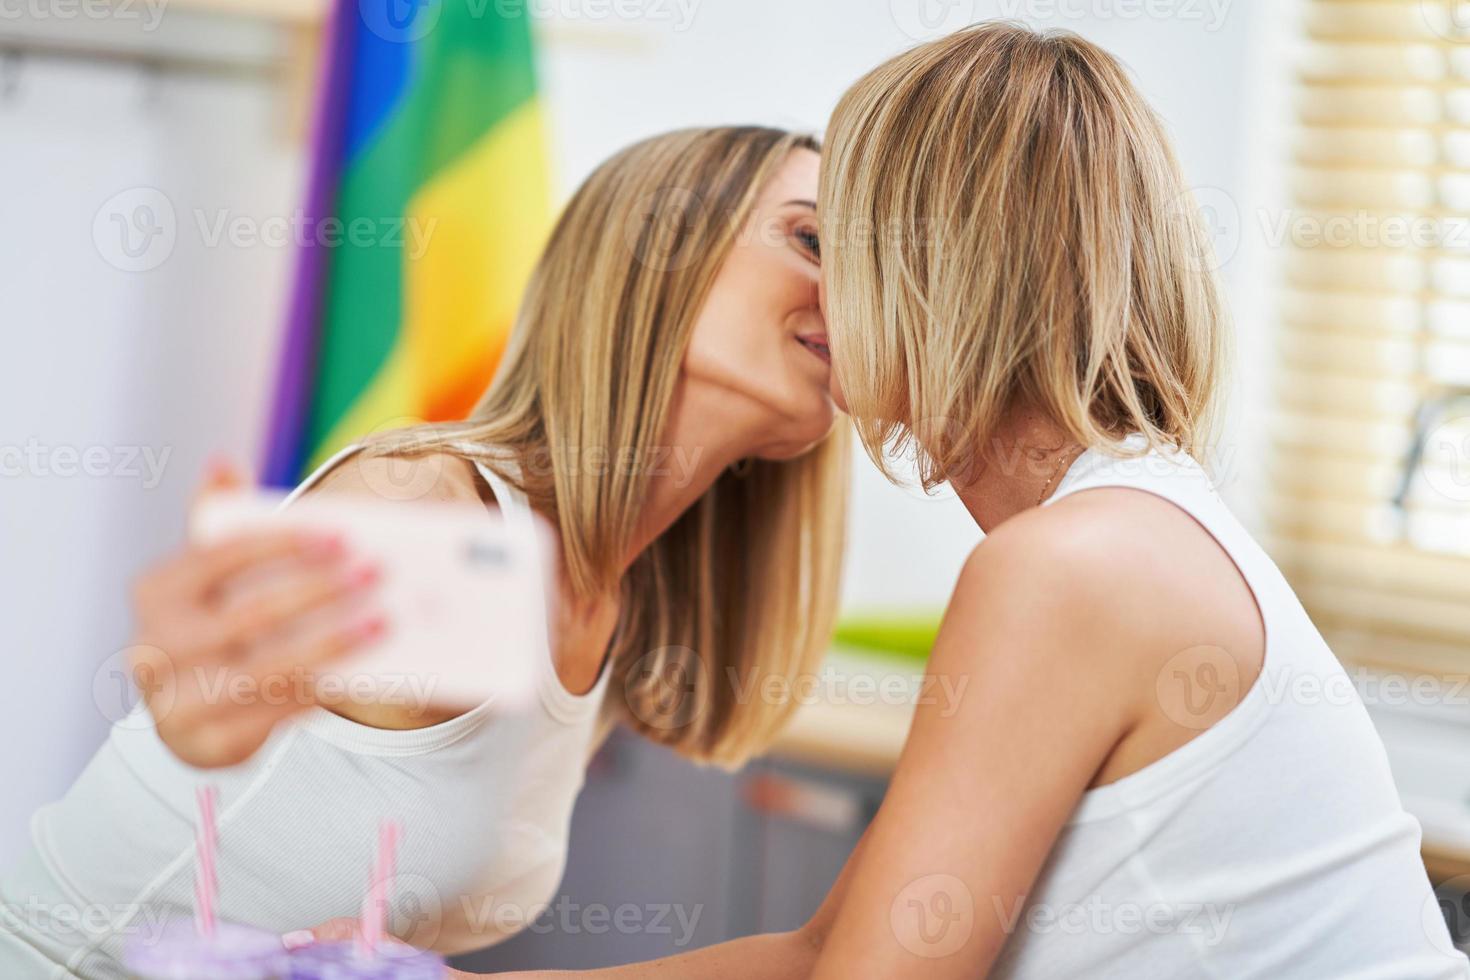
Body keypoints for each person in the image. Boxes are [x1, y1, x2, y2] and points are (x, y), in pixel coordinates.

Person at [436, 23, 1467, 979]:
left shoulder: (1070, 565)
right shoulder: (1135, 518)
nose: (825, 289)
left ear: (934, 269)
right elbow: (823, 949)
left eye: (844, 240)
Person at [0, 126, 850, 979]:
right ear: (651, 258)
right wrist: (198, 686)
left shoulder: (617, 602)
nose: (855, 291)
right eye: (811, 239)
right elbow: (207, 701)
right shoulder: (432, 510)